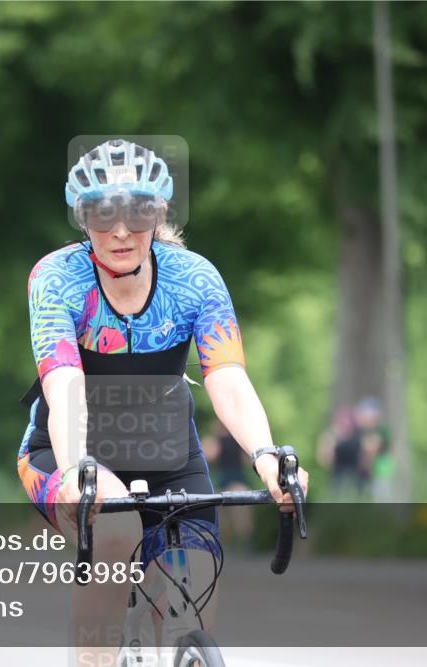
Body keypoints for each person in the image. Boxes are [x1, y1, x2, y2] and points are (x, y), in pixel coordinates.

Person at [16, 139, 308, 664]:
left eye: (139, 211)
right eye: (103, 214)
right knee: (117, 529)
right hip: (72, 447)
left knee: (191, 604)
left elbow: (228, 376)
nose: (122, 231)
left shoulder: (195, 278)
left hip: (168, 450)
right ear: (82, 218)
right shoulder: (57, 278)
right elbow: (64, 384)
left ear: (161, 212)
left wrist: (265, 456)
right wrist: (76, 470)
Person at [202, 421, 254, 547]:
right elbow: (209, 455)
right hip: (223, 480)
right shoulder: (216, 440)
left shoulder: (239, 439)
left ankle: (243, 541)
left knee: (240, 514)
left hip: (235, 479)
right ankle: (229, 542)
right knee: (221, 517)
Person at [317, 406, 366, 499]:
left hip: (356, 475)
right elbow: (325, 458)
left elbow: (364, 456)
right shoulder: (332, 436)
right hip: (338, 475)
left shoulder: (358, 436)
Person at [356, 397, 392, 501]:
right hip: (368, 470)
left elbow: (374, 449)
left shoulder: (380, 430)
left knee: (380, 497)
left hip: (380, 468)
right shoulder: (363, 431)